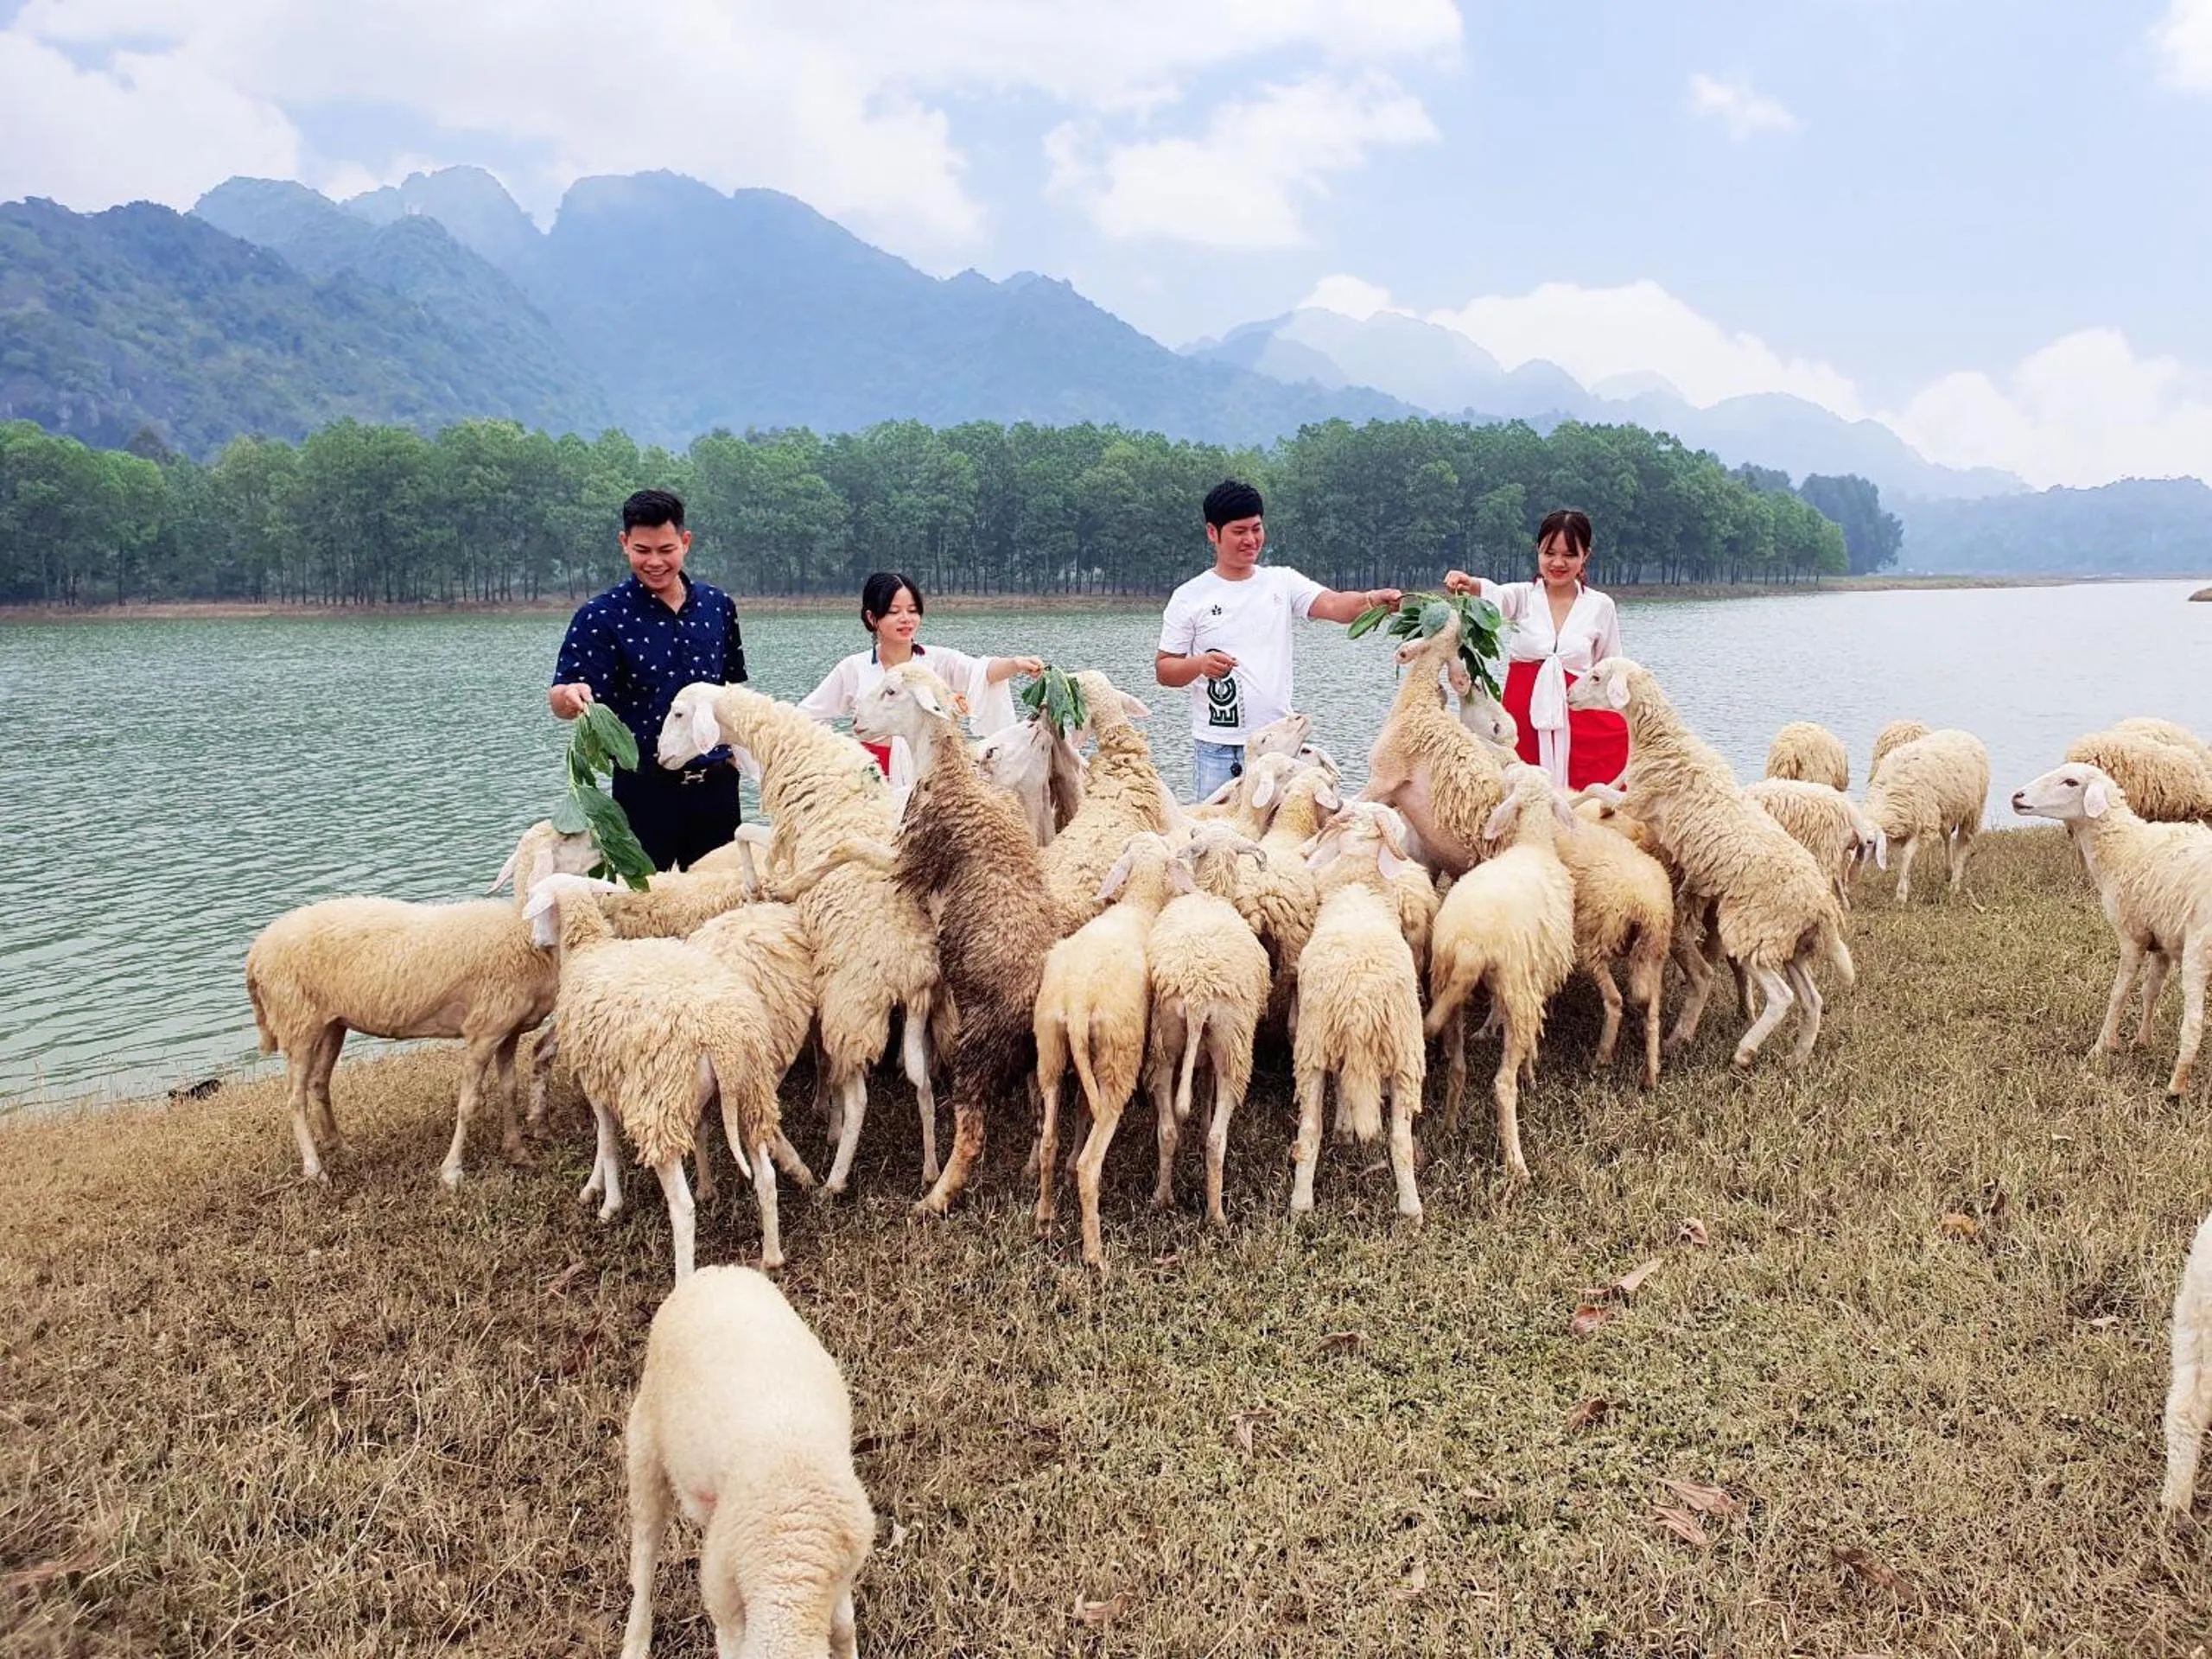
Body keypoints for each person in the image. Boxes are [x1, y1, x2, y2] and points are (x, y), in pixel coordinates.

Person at [1156, 480, 1402, 800]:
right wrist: (1200, 664)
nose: (1250, 539)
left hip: (1279, 744)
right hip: (1218, 750)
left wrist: (1372, 601)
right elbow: (1165, 669)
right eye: (1239, 531)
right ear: (1212, 533)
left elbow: (1334, 605)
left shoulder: (1281, 582)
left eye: (1256, 529)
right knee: (1217, 842)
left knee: (1283, 840)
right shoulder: (1189, 596)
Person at [549, 488, 748, 871]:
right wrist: (570, 696)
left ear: (685, 542)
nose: (654, 562)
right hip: (642, 789)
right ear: (624, 543)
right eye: (642, 550)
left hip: (717, 787)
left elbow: (732, 688)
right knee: (637, 910)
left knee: (721, 906)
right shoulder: (601, 616)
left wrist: (742, 754)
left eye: (666, 549)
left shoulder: (717, 606)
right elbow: (561, 697)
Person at [798, 572, 1043, 787]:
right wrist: (839, 755)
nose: (906, 619)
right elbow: (806, 717)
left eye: (913, 610)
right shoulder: (853, 668)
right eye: (894, 611)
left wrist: (1015, 664)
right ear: (873, 618)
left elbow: (981, 672)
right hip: (873, 778)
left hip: (934, 776)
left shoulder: (935, 661)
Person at [1444, 507, 1629, 791]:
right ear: (1538, 551)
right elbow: (1493, 596)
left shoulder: (1600, 606)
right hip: (1524, 715)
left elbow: (1611, 668)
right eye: (1549, 552)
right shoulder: (1523, 596)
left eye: (1569, 554)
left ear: (1585, 556)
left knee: (1586, 802)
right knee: (1522, 792)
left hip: (1579, 719)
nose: (1558, 562)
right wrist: (1469, 584)